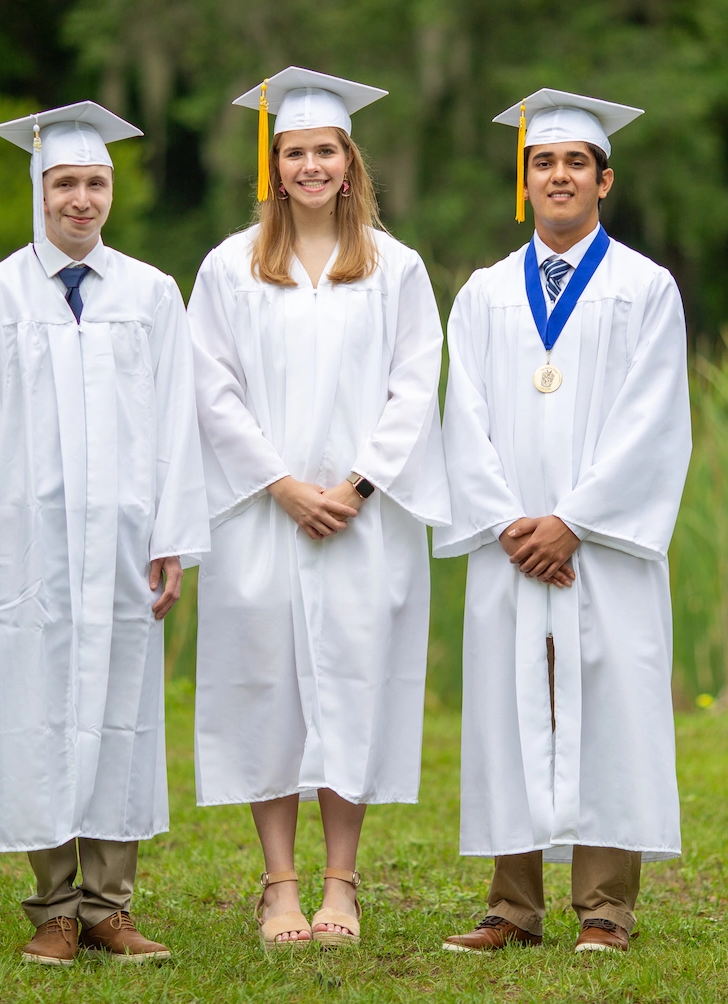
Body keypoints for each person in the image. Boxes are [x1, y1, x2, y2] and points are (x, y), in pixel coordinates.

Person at [0, 101, 209, 966]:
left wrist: (172, 536)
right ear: (38, 188)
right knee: (34, 712)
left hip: (124, 543)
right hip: (27, 548)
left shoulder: (151, 294)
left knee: (119, 714)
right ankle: (55, 907)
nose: (82, 200)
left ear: (111, 191)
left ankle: (109, 908)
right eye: (65, 183)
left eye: (96, 182)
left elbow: (177, 422)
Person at [187, 66, 450, 950]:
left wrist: (358, 485)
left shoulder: (395, 266)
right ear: (275, 165)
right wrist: (283, 484)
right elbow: (212, 389)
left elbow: (415, 385)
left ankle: (342, 882)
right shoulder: (229, 267)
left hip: (363, 519)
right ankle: (280, 885)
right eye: (294, 151)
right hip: (263, 513)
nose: (310, 165)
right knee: (267, 683)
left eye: (325, 150)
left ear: (349, 161)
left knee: (354, 682)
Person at [435, 89, 692, 954]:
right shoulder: (483, 294)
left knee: (612, 706)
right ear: (525, 181)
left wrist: (574, 521)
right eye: (542, 162)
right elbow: (462, 418)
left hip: (600, 548)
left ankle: (606, 906)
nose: (558, 176)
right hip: (512, 547)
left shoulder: (644, 289)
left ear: (603, 180)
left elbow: (654, 419)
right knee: (509, 705)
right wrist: (511, 524)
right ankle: (512, 905)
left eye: (575, 162)